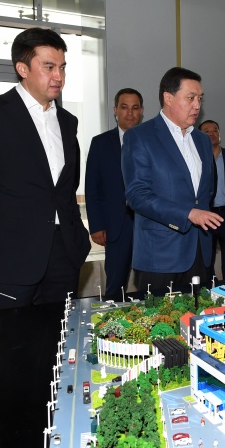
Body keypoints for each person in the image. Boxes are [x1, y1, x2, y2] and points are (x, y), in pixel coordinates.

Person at [0, 27, 91, 311]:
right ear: (22, 69)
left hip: (64, 258)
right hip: (8, 262)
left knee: (62, 336)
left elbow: (65, 188)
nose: (58, 76)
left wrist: (78, 239)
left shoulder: (68, 122)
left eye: (62, 67)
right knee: (7, 339)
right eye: (48, 67)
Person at [122, 67, 222, 292]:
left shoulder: (202, 141)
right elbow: (137, 195)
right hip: (160, 255)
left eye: (200, 98)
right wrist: (188, 213)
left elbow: (207, 192)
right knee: (159, 315)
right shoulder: (140, 137)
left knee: (199, 312)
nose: (197, 105)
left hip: (201, 251)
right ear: (168, 98)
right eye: (190, 98)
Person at [85, 88, 143, 300]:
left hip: (148, 225)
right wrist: (96, 225)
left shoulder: (152, 142)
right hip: (116, 226)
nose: (130, 113)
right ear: (115, 110)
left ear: (141, 111)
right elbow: (92, 187)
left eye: (135, 108)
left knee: (150, 285)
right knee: (115, 286)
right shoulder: (100, 143)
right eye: (124, 107)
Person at [199, 119, 225, 281]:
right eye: (206, 131)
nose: (211, 133)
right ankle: (209, 287)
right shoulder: (197, 157)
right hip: (206, 214)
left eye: (215, 130)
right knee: (207, 258)